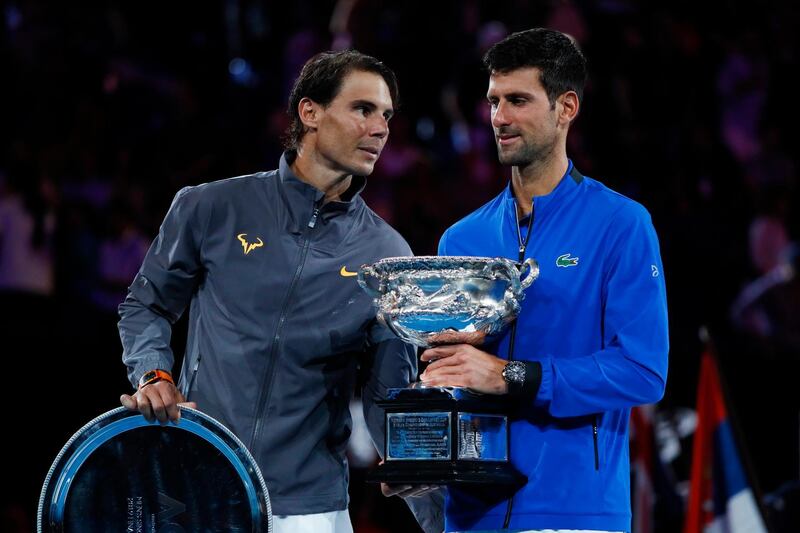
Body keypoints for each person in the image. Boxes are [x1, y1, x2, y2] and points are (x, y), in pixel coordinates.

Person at [117, 50, 431, 533]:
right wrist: (153, 373)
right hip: (199, 487)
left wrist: (424, 484)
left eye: (386, 115)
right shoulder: (211, 207)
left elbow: (388, 390)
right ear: (310, 112)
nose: (381, 128)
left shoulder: (388, 254)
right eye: (363, 109)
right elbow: (146, 305)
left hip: (312, 510)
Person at [419, 28, 669, 532]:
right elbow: (451, 374)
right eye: (493, 101)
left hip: (574, 511)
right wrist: (421, 451)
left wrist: (512, 375)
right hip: (472, 516)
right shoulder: (460, 238)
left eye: (518, 100)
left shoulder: (621, 224)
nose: (499, 118)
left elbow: (642, 370)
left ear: (566, 107)